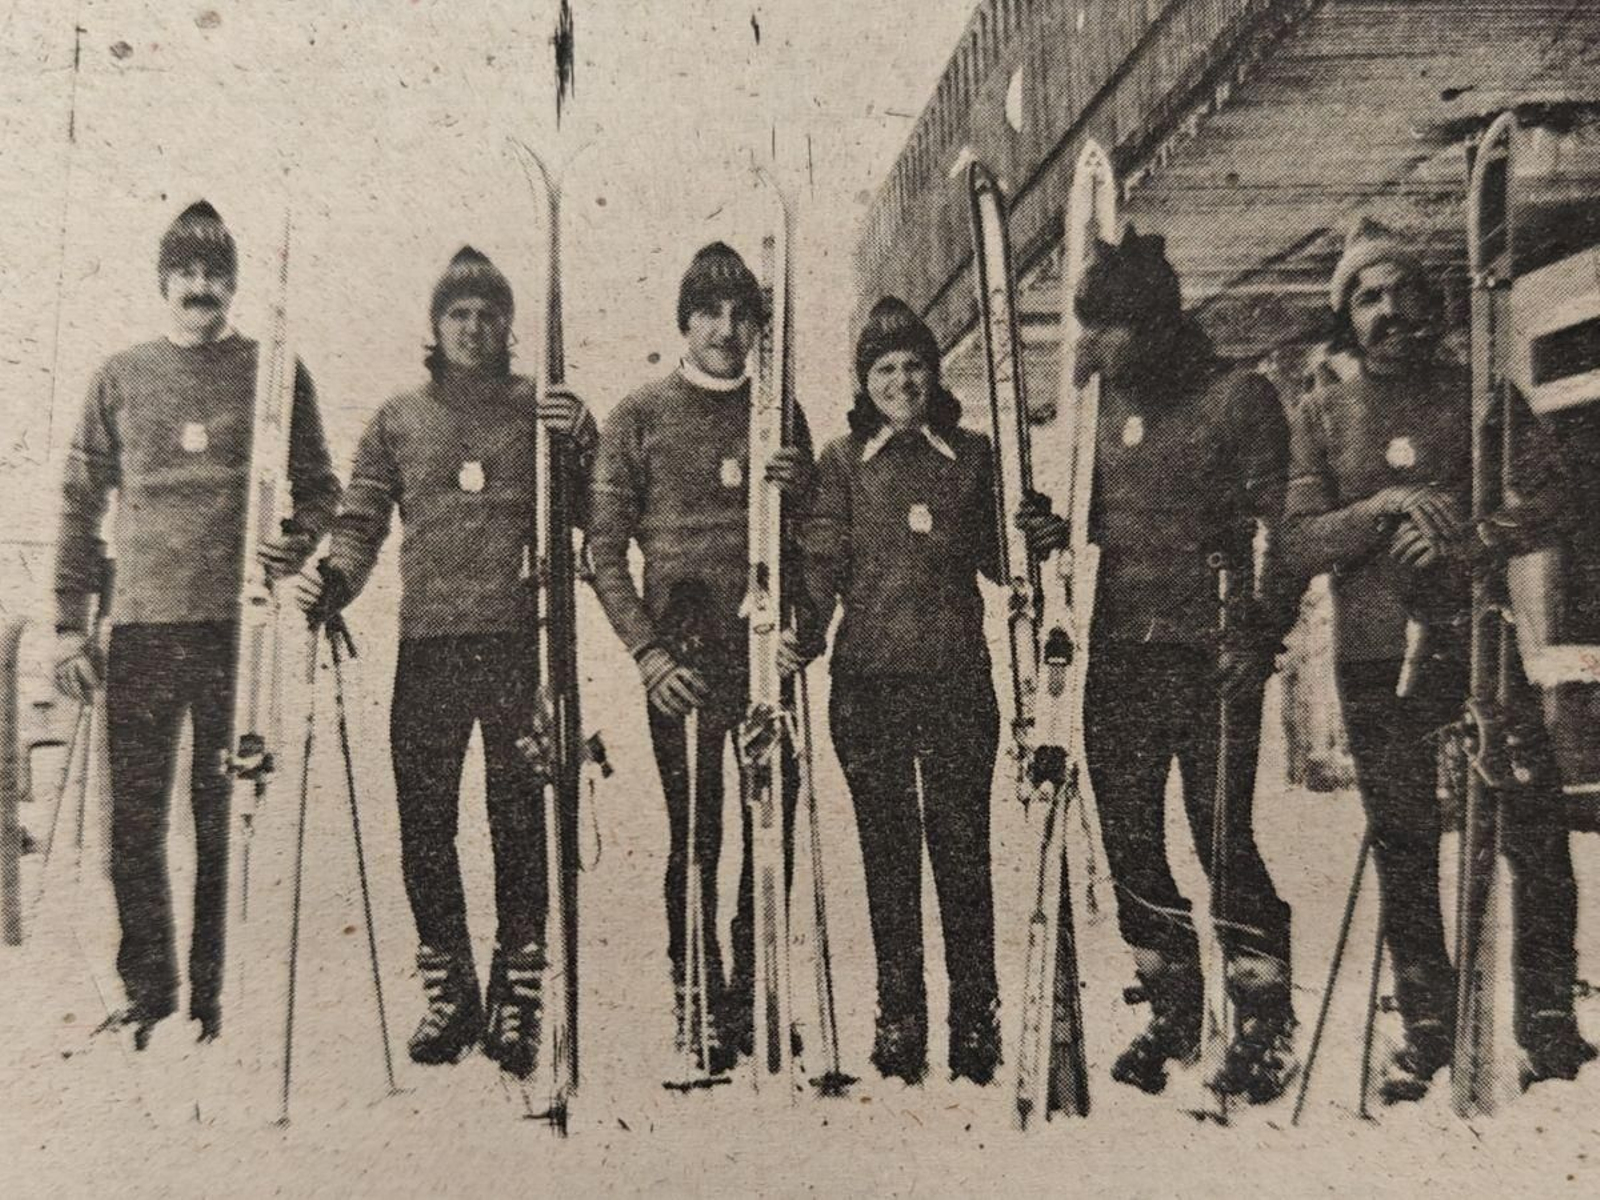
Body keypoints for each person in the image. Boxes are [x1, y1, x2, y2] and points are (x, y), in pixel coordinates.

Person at [1283, 216, 1594, 1099]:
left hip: (1479, 640)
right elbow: (1302, 541)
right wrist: (1385, 508)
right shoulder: (1322, 413)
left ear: (1429, 301)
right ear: (1349, 315)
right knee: (1406, 842)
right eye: (1367, 297)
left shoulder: (1480, 395)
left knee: (1533, 832)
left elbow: (1555, 499)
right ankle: (1427, 1021)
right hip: (1379, 658)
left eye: (1401, 291)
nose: (1388, 310)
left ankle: (1545, 1020)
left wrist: (1471, 539)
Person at [296, 247, 596, 1079]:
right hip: (429, 645)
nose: (473, 327)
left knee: (517, 820)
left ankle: (516, 992)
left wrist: (582, 439)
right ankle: (449, 989)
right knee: (427, 824)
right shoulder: (399, 417)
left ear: (507, 325)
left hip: (517, 640)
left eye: (488, 313)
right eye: (458, 314)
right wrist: (336, 580)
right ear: (435, 326)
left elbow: (592, 508)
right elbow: (360, 521)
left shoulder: (540, 407)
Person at [1018, 227, 1301, 1103]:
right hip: (1119, 662)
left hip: (1209, 657)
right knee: (1134, 845)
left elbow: (1280, 534)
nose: (1093, 348)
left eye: (1107, 329)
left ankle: (1258, 1015)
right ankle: (1176, 1007)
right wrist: (1052, 528)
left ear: (1153, 322)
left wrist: (1257, 635)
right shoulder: (1096, 415)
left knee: (1222, 837)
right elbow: (1088, 521)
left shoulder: (1236, 396)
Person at [52, 200, 340, 1049]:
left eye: (216, 272)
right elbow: (79, 504)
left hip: (232, 633)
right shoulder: (119, 375)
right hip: (140, 626)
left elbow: (319, 486)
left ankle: (217, 1000)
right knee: (134, 823)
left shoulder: (273, 370)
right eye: (186, 271)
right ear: (163, 280)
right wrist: (71, 626)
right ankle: (150, 994)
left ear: (235, 282)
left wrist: (293, 547)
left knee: (223, 819)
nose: (201, 286)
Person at [803, 297, 1051, 1085]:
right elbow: (819, 571)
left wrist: (1035, 535)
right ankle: (899, 1014)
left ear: (934, 372)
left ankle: (974, 1016)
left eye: (913, 366)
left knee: (960, 852)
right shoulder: (843, 462)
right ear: (864, 381)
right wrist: (794, 638)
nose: (901, 381)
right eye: (885, 370)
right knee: (888, 856)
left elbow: (1002, 559)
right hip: (868, 688)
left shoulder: (973, 456)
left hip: (954, 683)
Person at [588, 241, 815, 1074]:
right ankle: (697, 995)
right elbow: (604, 551)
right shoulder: (641, 414)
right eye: (710, 312)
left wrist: (806, 628)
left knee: (770, 827)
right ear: (684, 320)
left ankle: (756, 991)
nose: (726, 329)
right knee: (697, 834)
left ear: (758, 324)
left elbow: (819, 537)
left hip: (762, 649)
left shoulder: (777, 411)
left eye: (740, 314)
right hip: (682, 652)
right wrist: (646, 653)